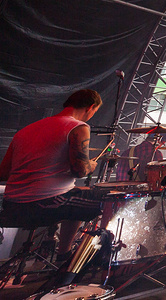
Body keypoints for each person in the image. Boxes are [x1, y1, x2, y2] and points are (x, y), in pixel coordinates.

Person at [0, 89, 103, 259]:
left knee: (78, 195)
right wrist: (91, 165)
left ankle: (56, 246)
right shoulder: (79, 127)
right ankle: (68, 257)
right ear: (90, 107)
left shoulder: (26, 130)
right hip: (43, 205)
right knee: (103, 200)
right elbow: (80, 171)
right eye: (94, 111)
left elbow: (3, 173)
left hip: (11, 206)